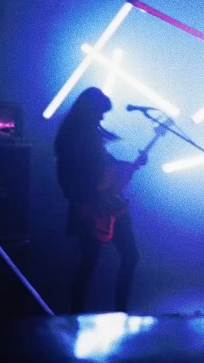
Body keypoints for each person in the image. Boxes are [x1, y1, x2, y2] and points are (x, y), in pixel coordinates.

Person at [54, 87, 145, 313]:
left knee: (99, 259)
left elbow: (107, 166)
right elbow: (69, 178)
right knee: (99, 259)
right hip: (92, 206)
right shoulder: (75, 140)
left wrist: (130, 166)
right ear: (90, 111)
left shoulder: (85, 137)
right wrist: (88, 202)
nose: (102, 118)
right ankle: (113, 311)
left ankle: (88, 312)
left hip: (103, 205)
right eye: (100, 112)